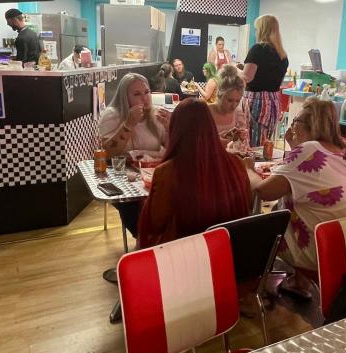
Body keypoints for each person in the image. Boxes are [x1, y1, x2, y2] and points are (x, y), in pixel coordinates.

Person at [246, 98, 346, 272]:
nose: (292, 126)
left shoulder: (310, 150)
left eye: (296, 121)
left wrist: (247, 168)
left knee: (247, 226)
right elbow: (311, 178)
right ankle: (299, 282)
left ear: (311, 125)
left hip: (315, 251)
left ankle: (253, 286)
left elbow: (263, 191)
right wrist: (295, 147)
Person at [137, 99, 252, 248]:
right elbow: (247, 206)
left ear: (175, 130)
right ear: (211, 127)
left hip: (183, 258)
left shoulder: (167, 172)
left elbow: (156, 223)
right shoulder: (236, 164)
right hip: (227, 255)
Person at [97, 73, 170, 240]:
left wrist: (169, 128)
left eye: (147, 92)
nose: (144, 99)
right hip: (121, 176)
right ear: (125, 97)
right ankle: (144, 238)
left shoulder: (156, 115)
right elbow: (108, 154)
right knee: (130, 204)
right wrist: (128, 124)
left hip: (151, 174)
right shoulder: (112, 115)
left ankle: (164, 236)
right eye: (137, 94)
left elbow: (170, 148)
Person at [242, 15, 289, 147]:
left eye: (257, 29)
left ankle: (251, 166)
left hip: (257, 100)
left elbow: (247, 77)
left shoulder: (258, 49)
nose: (255, 33)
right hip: (274, 100)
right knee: (265, 142)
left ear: (262, 30)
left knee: (253, 140)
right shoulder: (282, 55)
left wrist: (234, 69)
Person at [208, 64, 250, 147]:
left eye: (237, 101)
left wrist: (241, 138)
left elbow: (243, 146)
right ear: (220, 94)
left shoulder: (238, 114)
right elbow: (198, 142)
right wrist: (217, 140)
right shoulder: (207, 112)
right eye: (229, 100)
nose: (234, 105)